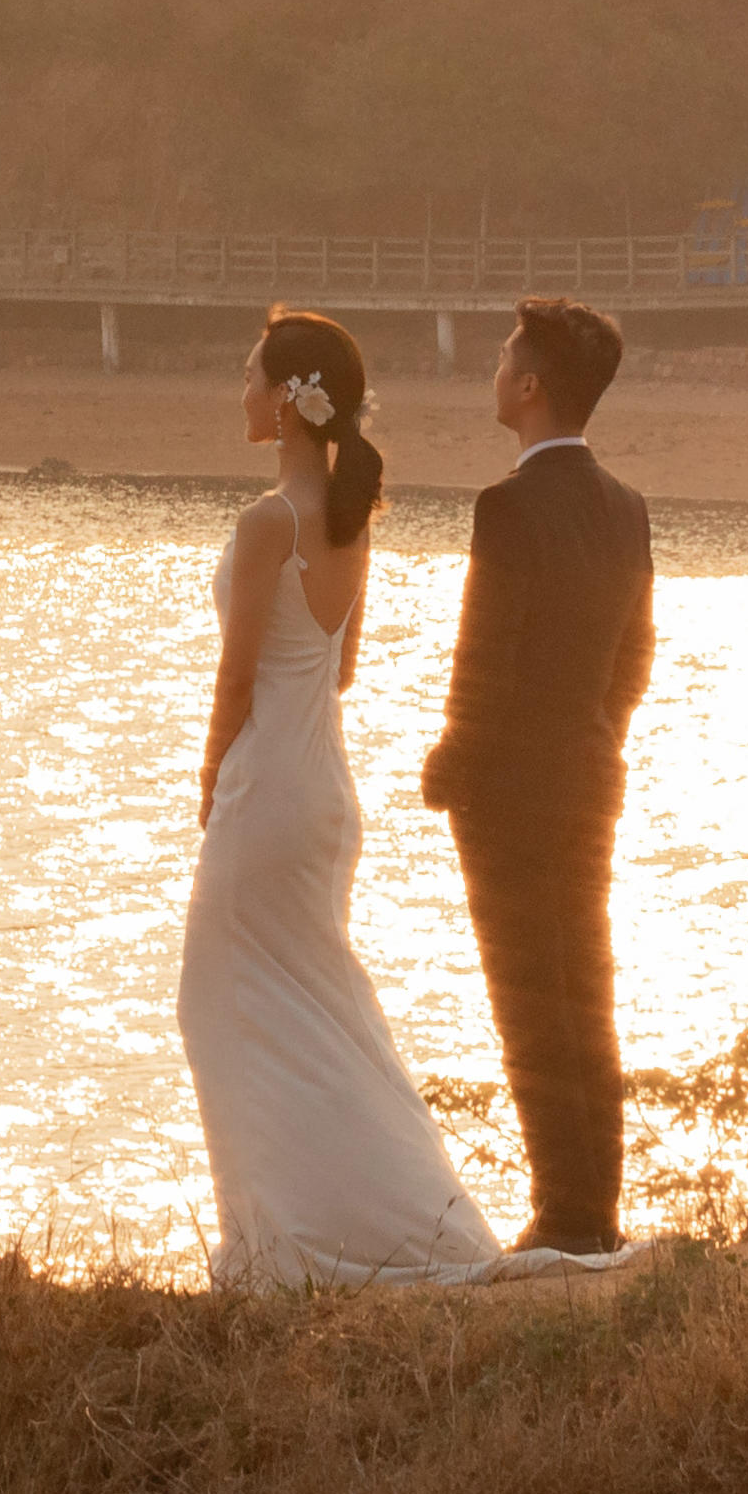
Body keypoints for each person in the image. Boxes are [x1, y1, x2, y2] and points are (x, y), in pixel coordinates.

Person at [175, 309, 502, 1293]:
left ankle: (280, 1241)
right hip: (327, 790)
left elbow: (236, 684)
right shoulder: (351, 522)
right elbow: (342, 669)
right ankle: (331, 1225)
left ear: (285, 399)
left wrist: (210, 779)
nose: (239, 391)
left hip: (271, 786)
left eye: (248, 375)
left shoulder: (269, 523)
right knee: (317, 1012)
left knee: (216, 1002)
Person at [422, 291, 653, 1261]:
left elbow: (487, 652)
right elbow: (634, 655)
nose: (493, 370)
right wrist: (598, 732)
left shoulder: (507, 508)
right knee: (585, 986)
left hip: (513, 784)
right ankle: (592, 1205)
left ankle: (561, 1214)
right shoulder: (625, 509)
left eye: (504, 357)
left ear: (528, 387)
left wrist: (452, 763)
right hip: (592, 768)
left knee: (526, 996)